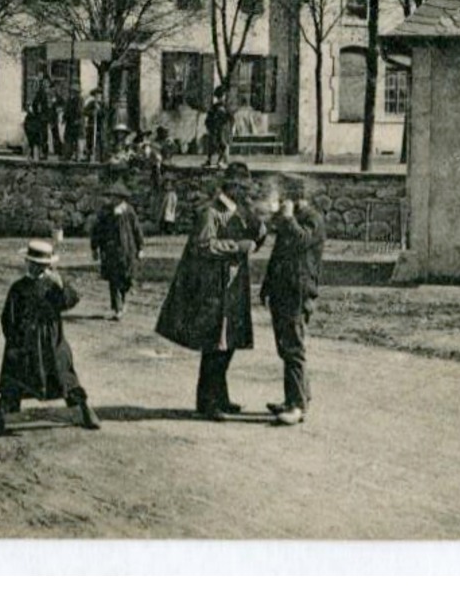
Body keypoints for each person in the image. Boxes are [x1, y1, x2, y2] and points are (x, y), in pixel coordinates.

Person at [154, 162, 266, 420]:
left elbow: (257, 237)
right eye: (243, 187)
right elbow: (204, 245)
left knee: (229, 343)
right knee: (214, 344)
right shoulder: (211, 212)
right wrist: (238, 246)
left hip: (233, 285)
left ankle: (221, 397)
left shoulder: (240, 210)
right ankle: (207, 401)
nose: (246, 193)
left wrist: (258, 227)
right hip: (212, 286)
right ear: (232, 187)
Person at [0, 239, 102, 436]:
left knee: (65, 376)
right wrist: (15, 342)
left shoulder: (53, 287)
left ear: (48, 266)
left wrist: (61, 283)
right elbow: (8, 318)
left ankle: (85, 411)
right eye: (33, 264)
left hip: (53, 342)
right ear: (27, 264)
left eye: (41, 266)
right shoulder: (19, 288)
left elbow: (70, 301)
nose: (36, 269)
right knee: (14, 380)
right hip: (26, 344)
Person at [260, 181, 325, 426]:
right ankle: (298, 397)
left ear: (298, 198)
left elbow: (300, 241)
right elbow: (278, 254)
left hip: (298, 293)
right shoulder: (295, 219)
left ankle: (297, 405)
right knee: (286, 346)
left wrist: (287, 219)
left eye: (286, 197)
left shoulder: (312, 219)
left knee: (293, 348)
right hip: (283, 291)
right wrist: (267, 286)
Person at [89, 181, 144, 319]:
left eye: (116, 197)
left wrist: (141, 247)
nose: (113, 199)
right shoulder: (106, 212)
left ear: (122, 198)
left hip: (128, 251)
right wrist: (94, 247)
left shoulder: (129, 211)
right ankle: (117, 308)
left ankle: (122, 303)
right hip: (110, 251)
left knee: (126, 279)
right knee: (114, 280)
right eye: (111, 196)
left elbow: (137, 230)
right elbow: (97, 230)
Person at [203, 86, 233, 168]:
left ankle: (216, 161)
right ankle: (221, 161)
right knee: (222, 145)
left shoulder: (215, 107)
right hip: (221, 129)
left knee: (217, 145)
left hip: (217, 129)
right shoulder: (225, 107)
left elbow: (208, 120)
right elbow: (230, 119)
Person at [24, 80, 50, 161]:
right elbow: (36, 107)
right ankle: (38, 153)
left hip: (41, 119)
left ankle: (42, 153)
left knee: (42, 136)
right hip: (38, 119)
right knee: (37, 136)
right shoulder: (39, 95)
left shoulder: (42, 95)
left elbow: (40, 108)